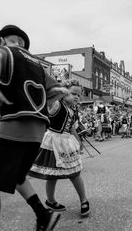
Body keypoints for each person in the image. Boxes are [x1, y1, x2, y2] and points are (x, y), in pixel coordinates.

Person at [0, 25, 67, 231]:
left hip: (14, 125)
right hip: (37, 130)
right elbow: (59, 92)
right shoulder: (37, 63)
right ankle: (42, 214)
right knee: (16, 176)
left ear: (3, 40)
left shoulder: (5, 51)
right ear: (23, 42)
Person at [30, 79, 90, 217]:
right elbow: (46, 101)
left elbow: (72, 127)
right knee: (52, 174)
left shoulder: (73, 109)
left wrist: (78, 140)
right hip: (53, 141)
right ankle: (51, 200)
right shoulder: (56, 104)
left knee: (74, 173)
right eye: (73, 93)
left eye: (79, 95)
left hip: (67, 142)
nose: (76, 97)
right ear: (63, 93)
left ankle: (83, 200)